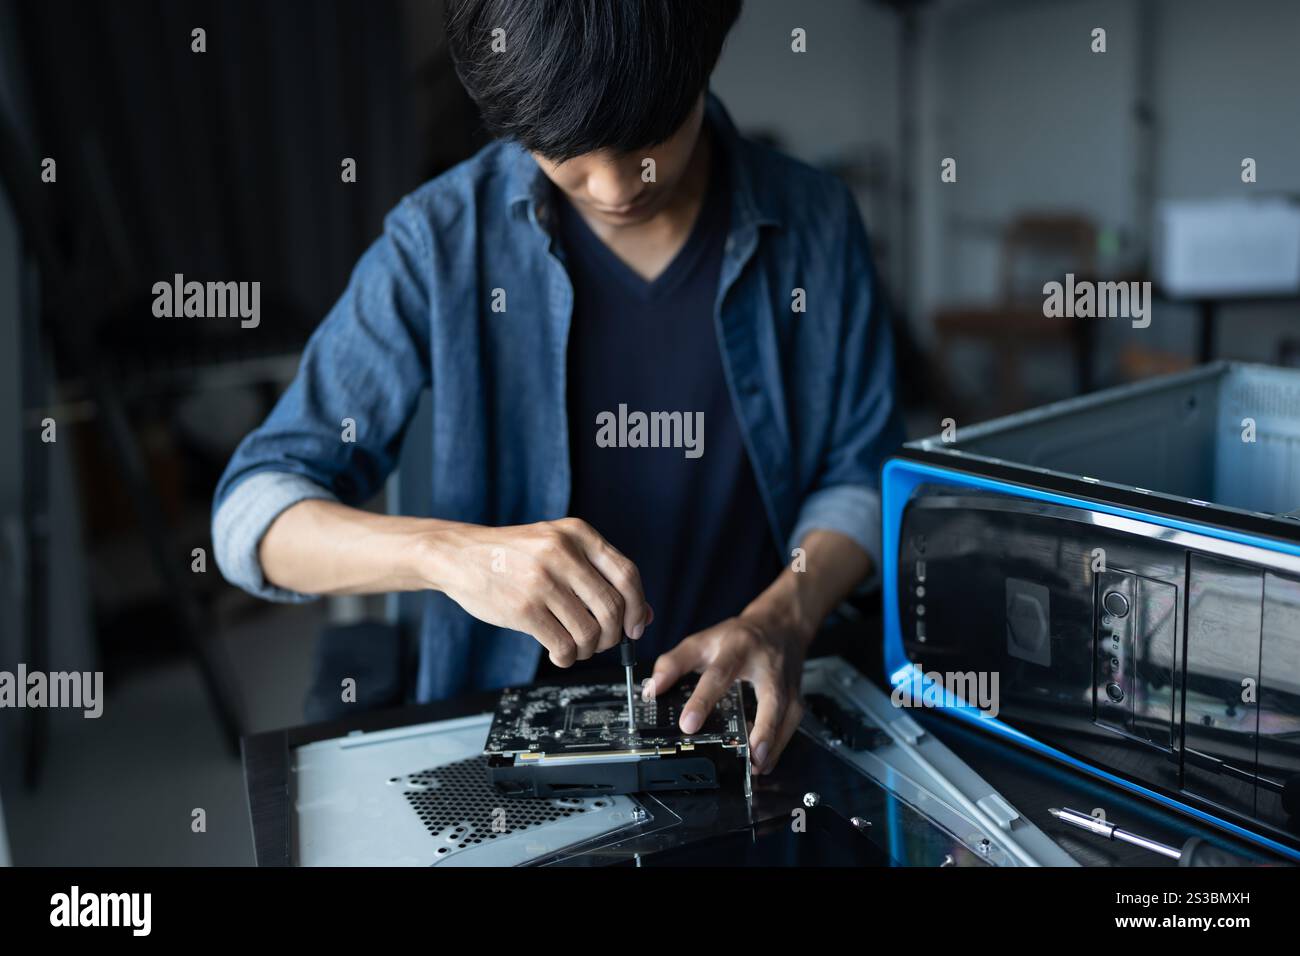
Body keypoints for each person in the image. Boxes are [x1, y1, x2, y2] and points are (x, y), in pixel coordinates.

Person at [212, 0, 903, 775]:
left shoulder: (815, 222)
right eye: (560, 149)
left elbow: (860, 475)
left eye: (648, 139)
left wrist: (783, 618)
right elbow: (251, 518)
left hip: (750, 730)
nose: (610, 189)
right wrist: (451, 555)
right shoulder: (440, 239)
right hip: (506, 747)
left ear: (707, 53)